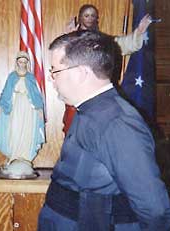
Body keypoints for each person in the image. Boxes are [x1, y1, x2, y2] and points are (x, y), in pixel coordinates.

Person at [36, 31, 170, 231]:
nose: (52, 79)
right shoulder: (92, 109)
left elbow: (156, 208)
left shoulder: (117, 122)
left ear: (81, 73)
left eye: (55, 71)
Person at [63, 4, 152, 134]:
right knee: (74, 132)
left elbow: (126, 43)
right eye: (86, 15)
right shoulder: (72, 40)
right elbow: (62, 57)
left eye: (93, 15)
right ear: (80, 18)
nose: (89, 18)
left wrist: (138, 32)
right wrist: (69, 37)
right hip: (77, 97)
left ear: (97, 19)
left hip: (98, 96)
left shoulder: (105, 42)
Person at [0, 51, 45, 177]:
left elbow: (36, 95)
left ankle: (25, 157)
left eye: (24, 62)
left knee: (27, 131)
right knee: (14, 130)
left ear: (27, 63)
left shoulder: (30, 77)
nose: (22, 64)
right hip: (15, 108)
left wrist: (40, 108)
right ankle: (14, 156)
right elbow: (5, 93)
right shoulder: (12, 77)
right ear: (17, 62)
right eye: (20, 62)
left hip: (28, 109)